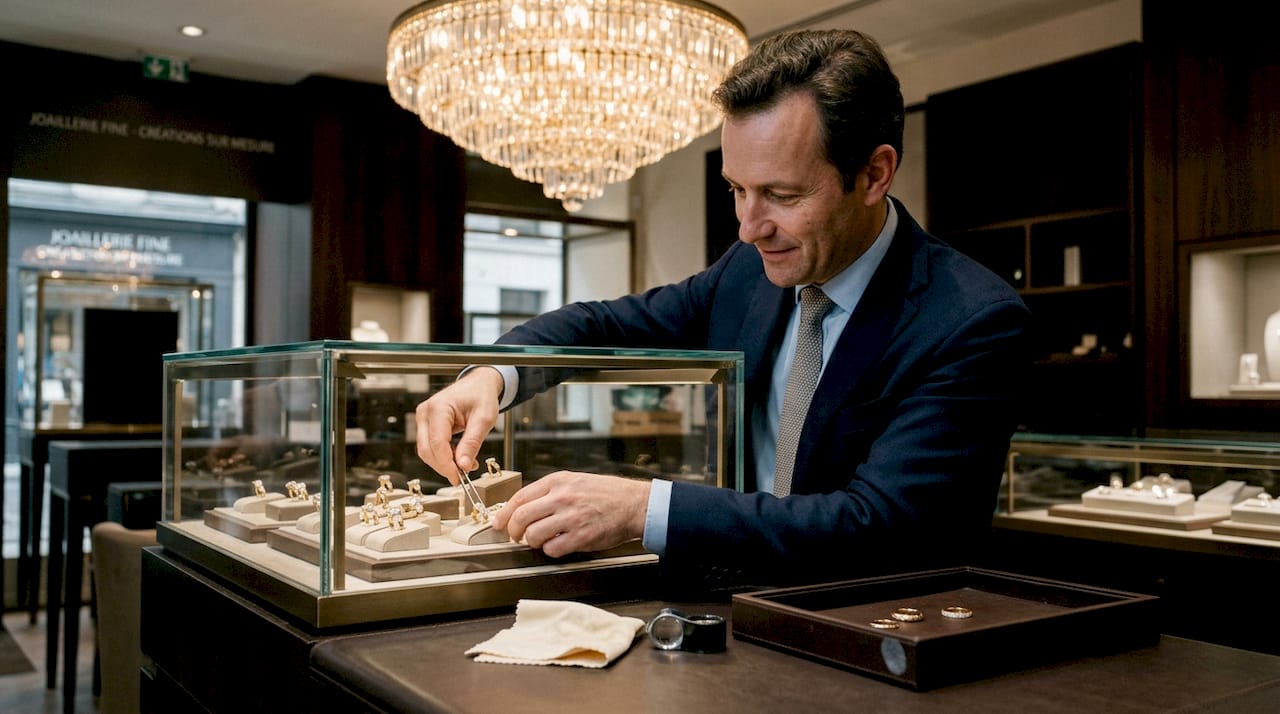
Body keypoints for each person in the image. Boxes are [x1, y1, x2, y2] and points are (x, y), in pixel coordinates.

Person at [416, 29, 1030, 587]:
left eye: (781, 195)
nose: (748, 227)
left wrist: (642, 508)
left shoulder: (971, 321)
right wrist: (493, 376)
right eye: (737, 190)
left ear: (874, 174)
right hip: (732, 610)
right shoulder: (748, 271)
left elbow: (881, 527)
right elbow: (607, 325)